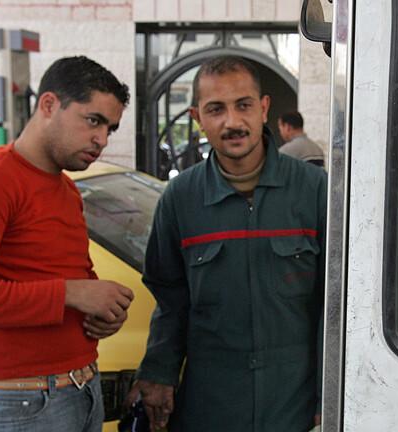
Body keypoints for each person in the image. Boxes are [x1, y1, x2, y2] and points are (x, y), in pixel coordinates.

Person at [0, 56, 134, 432]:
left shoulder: (66, 188)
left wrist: (101, 312)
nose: (102, 140)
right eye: (93, 120)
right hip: (19, 403)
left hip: (80, 389)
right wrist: (71, 294)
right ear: (49, 104)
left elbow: (64, 279)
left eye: (111, 128)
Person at [130, 56, 327, 432]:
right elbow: (170, 300)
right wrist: (158, 372)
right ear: (197, 117)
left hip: (294, 406)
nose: (232, 122)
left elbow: (335, 306)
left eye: (244, 105)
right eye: (216, 109)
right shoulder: (180, 198)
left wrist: (327, 396)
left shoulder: (315, 190)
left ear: (264, 108)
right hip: (210, 405)